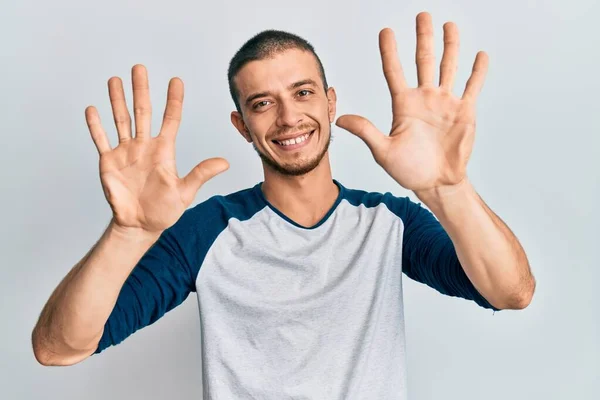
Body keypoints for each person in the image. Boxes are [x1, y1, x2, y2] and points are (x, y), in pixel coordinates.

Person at [31, 11, 535, 399]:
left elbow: (511, 291)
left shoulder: (388, 222)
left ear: (330, 102)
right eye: (263, 102)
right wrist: (128, 233)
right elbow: (58, 348)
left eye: (303, 92)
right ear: (241, 126)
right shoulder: (208, 231)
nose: (289, 117)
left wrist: (447, 188)